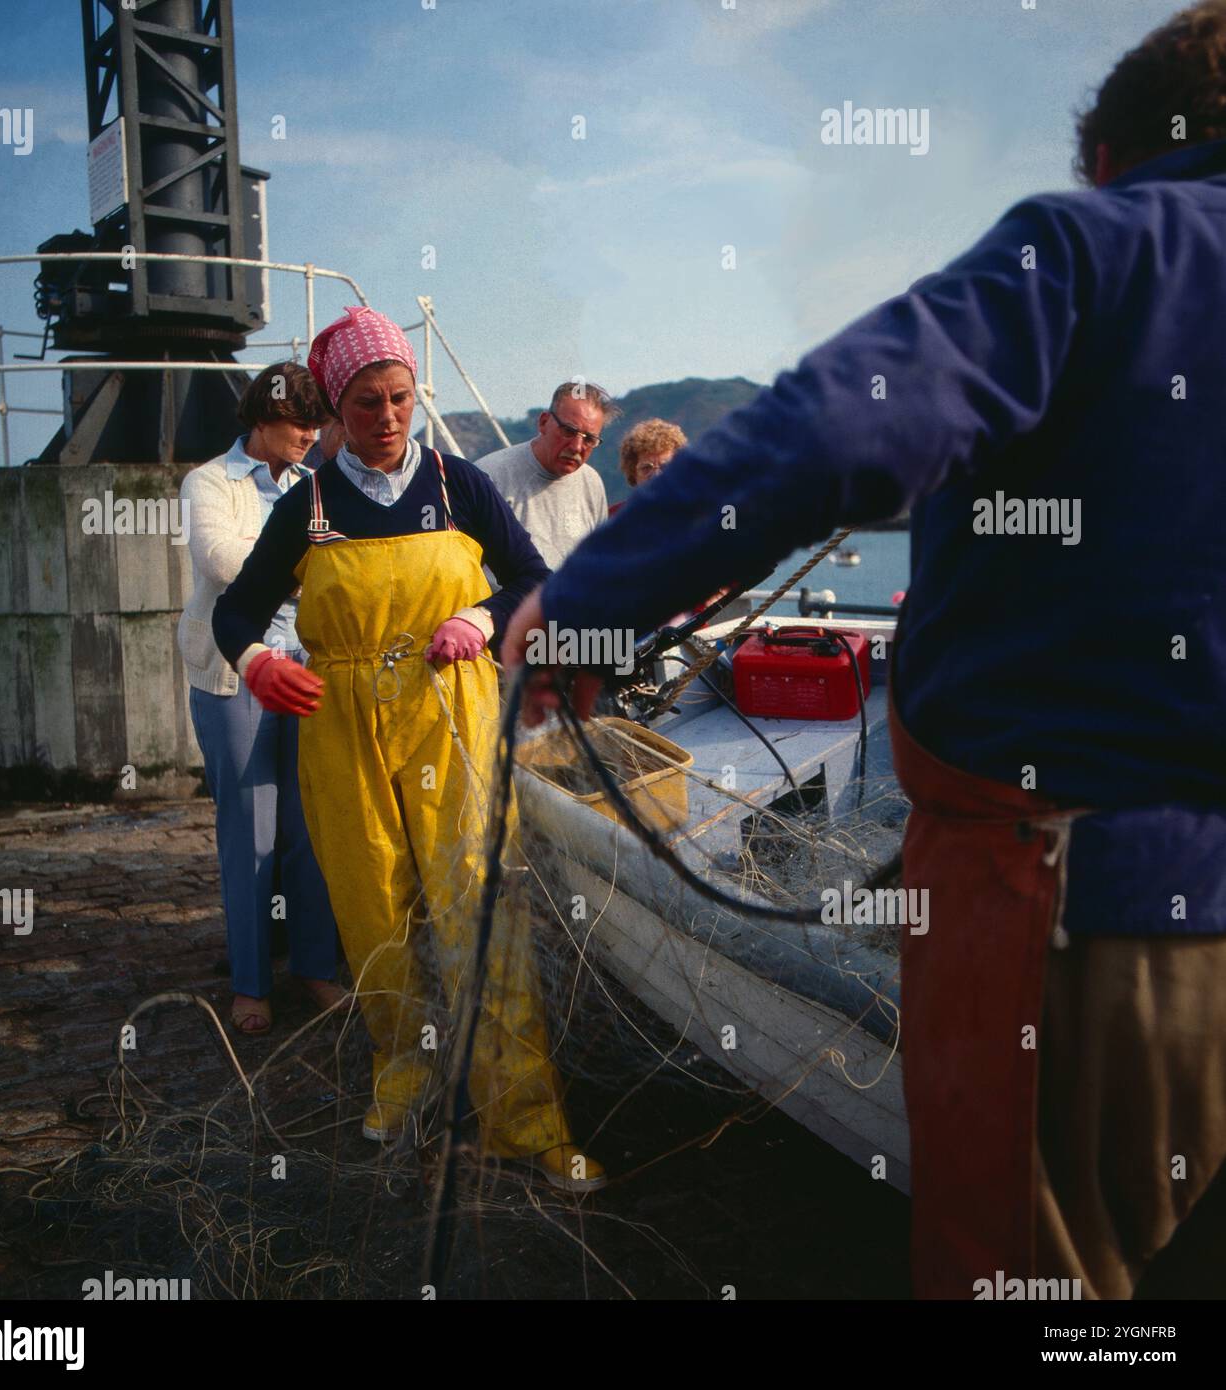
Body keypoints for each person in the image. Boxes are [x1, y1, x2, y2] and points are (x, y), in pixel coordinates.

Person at [506, 0, 1226, 1295]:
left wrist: (585, 609)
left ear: (1112, 158)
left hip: (1079, 901)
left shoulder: (1095, 250)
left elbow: (840, 425)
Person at [212, 306, 604, 1192]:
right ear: (335, 409)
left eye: (398, 398)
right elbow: (236, 608)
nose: (386, 418)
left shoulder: (457, 482)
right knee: (372, 907)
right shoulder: (306, 503)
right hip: (340, 720)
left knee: (478, 903)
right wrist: (258, 659)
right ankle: (408, 1072)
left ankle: (525, 1117)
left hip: (449, 713)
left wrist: (478, 616)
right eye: (363, 404)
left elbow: (536, 586)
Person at [178, 362, 342, 1036]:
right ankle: (250, 982)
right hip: (235, 672)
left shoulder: (315, 484)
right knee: (251, 833)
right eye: (298, 422)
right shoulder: (208, 481)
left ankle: (314, 964)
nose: (310, 433)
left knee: (310, 829)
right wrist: (305, 560)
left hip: (307, 667)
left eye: (315, 422)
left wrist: (291, 563)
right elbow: (220, 559)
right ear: (260, 420)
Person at [477, 380, 618, 573]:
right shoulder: (490, 476)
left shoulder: (591, 483)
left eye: (589, 439)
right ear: (543, 422)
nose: (577, 446)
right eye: (569, 431)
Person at [609, 417, 685, 517]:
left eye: (665, 467)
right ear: (633, 474)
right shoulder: (613, 518)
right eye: (646, 468)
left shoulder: (697, 520)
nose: (656, 475)